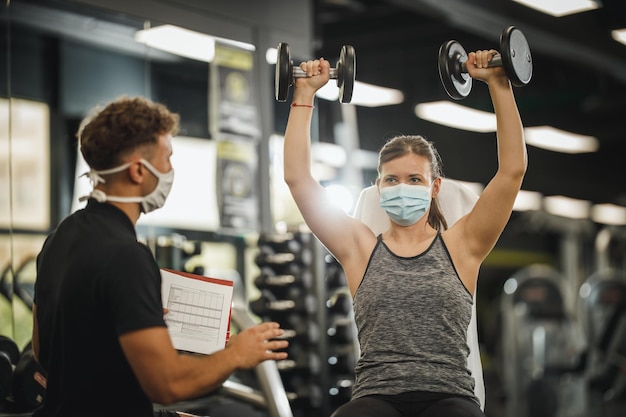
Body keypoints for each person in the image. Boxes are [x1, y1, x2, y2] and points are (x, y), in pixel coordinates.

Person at [283, 49, 527, 417]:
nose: (403, 188)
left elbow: (512, 171)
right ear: (378, 187)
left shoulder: (463, 245)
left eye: (415, 179)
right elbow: (298, 178)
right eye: (392, 180)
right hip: (376, 396)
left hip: (450, 396)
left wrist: (498, 83)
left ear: (434, 186)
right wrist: (303, 95)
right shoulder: (359, 249)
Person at [31, 96, 289, 417]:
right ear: (139, 171)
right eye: (167, 158)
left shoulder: (60, 238)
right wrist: (237, 353)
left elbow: (43, 352)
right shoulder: (127, 257)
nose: (169, 171)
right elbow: (168, 386)